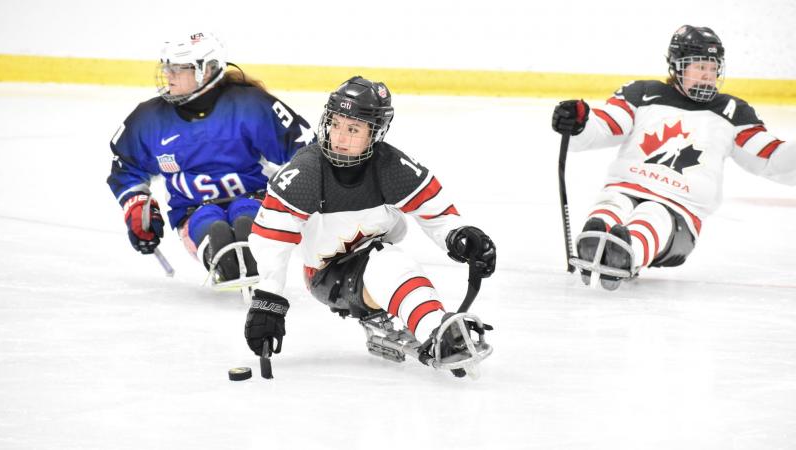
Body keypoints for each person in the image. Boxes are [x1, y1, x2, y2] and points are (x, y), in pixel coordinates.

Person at [242, 76, 497, 377]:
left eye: (353, 129)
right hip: (326, 274)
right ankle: (436, 330)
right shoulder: (306, 172)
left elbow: (437, 212)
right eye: (335, 124)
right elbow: (271, 238)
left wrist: (459, 236)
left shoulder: (390, 167)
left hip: (370, 257)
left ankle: (421, 323)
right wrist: (267, 299)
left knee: (384, 258)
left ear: (375, 133)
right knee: (389, 261)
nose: (339, 137)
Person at [551, 25, 795, 290]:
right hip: (626, 186)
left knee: (652, 213)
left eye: (713, 68)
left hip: (679, 211)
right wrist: (580, 123)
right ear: (677, 66)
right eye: (699, 67)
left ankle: (625, 252)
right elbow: (608, 125)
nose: (708, 76)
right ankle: (596, 240)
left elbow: (770, 158)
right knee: (613, 202)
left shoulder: (733, 111)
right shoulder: (642, 93)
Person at [107, 32, 314, 284]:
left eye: (178, 68)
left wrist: (303, 198)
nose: (168, 74)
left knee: (245, 220)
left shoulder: (249, 104)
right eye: (167, 67)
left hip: (254, 199)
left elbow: (304, 149)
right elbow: (126, 167)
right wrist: (137, 204)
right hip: (193, 211)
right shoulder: (149, 118)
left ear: (207, 70)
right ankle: (224, 254)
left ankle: (254, 245)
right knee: (214, 233)